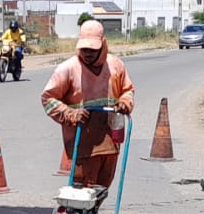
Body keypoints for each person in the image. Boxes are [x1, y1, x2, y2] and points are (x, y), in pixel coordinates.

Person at [40, 20, 136, 188]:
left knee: (103, 186)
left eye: (93, 50)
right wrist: (70, 113)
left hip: (110, 140)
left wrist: (124, 102)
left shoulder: (115, 65)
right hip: (81, 140)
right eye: (84, 49)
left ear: (103, 45)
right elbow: (48, 98)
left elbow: (128, 90)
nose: (88, 53)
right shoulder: (68, 69)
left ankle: (94, 213)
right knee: (83, 188)